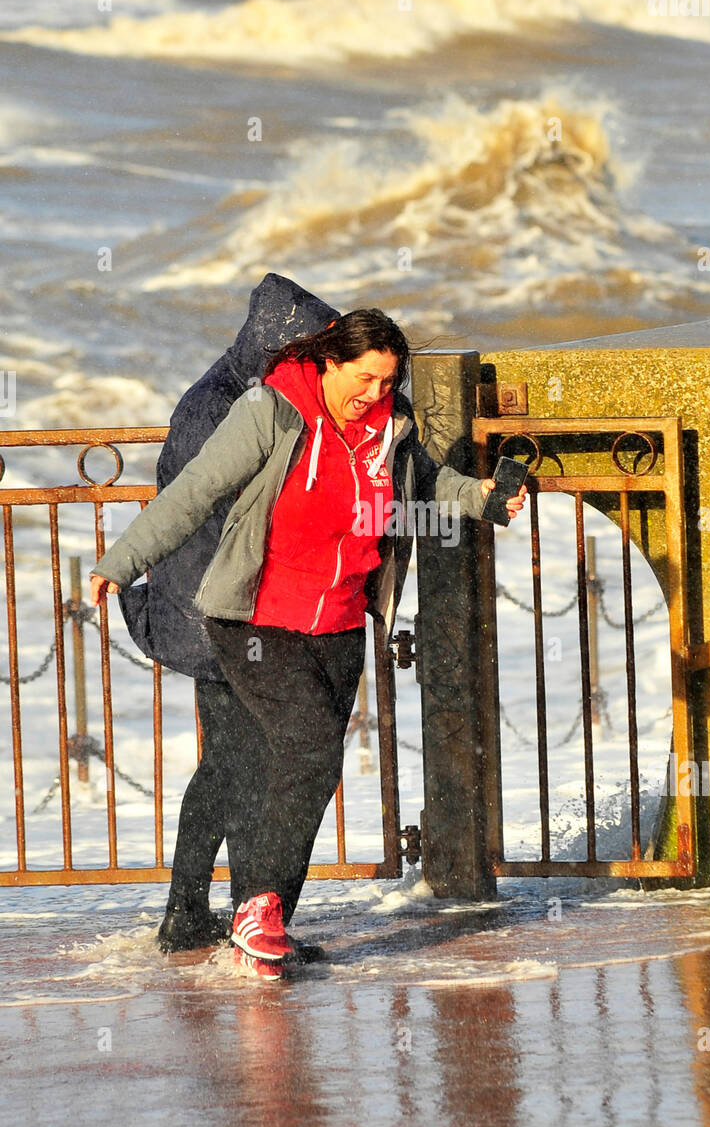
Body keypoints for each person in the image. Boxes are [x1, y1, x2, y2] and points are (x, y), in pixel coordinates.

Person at [90, 309, 527, 978]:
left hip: (341, 625)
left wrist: (484, 496)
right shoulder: (274, 412)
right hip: (257, 620)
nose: (375, 393)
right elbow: (194, 490)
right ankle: (255, 909)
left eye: (387, 381)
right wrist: (120, 562)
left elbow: (425, 482)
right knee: (307, 744)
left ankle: (265, 924)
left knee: (313, 767)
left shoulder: (389, 428)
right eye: (364, 378)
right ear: (328, 362)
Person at [117, 273, 339, 955]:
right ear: (273, 345)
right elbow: (214, 511)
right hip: (211, 615)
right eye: (305, 353)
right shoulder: (215, 409)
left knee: (238, 762)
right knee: (236, 764)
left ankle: (218, 913)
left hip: (221, 611)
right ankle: (205, 913)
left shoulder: (238, 397)